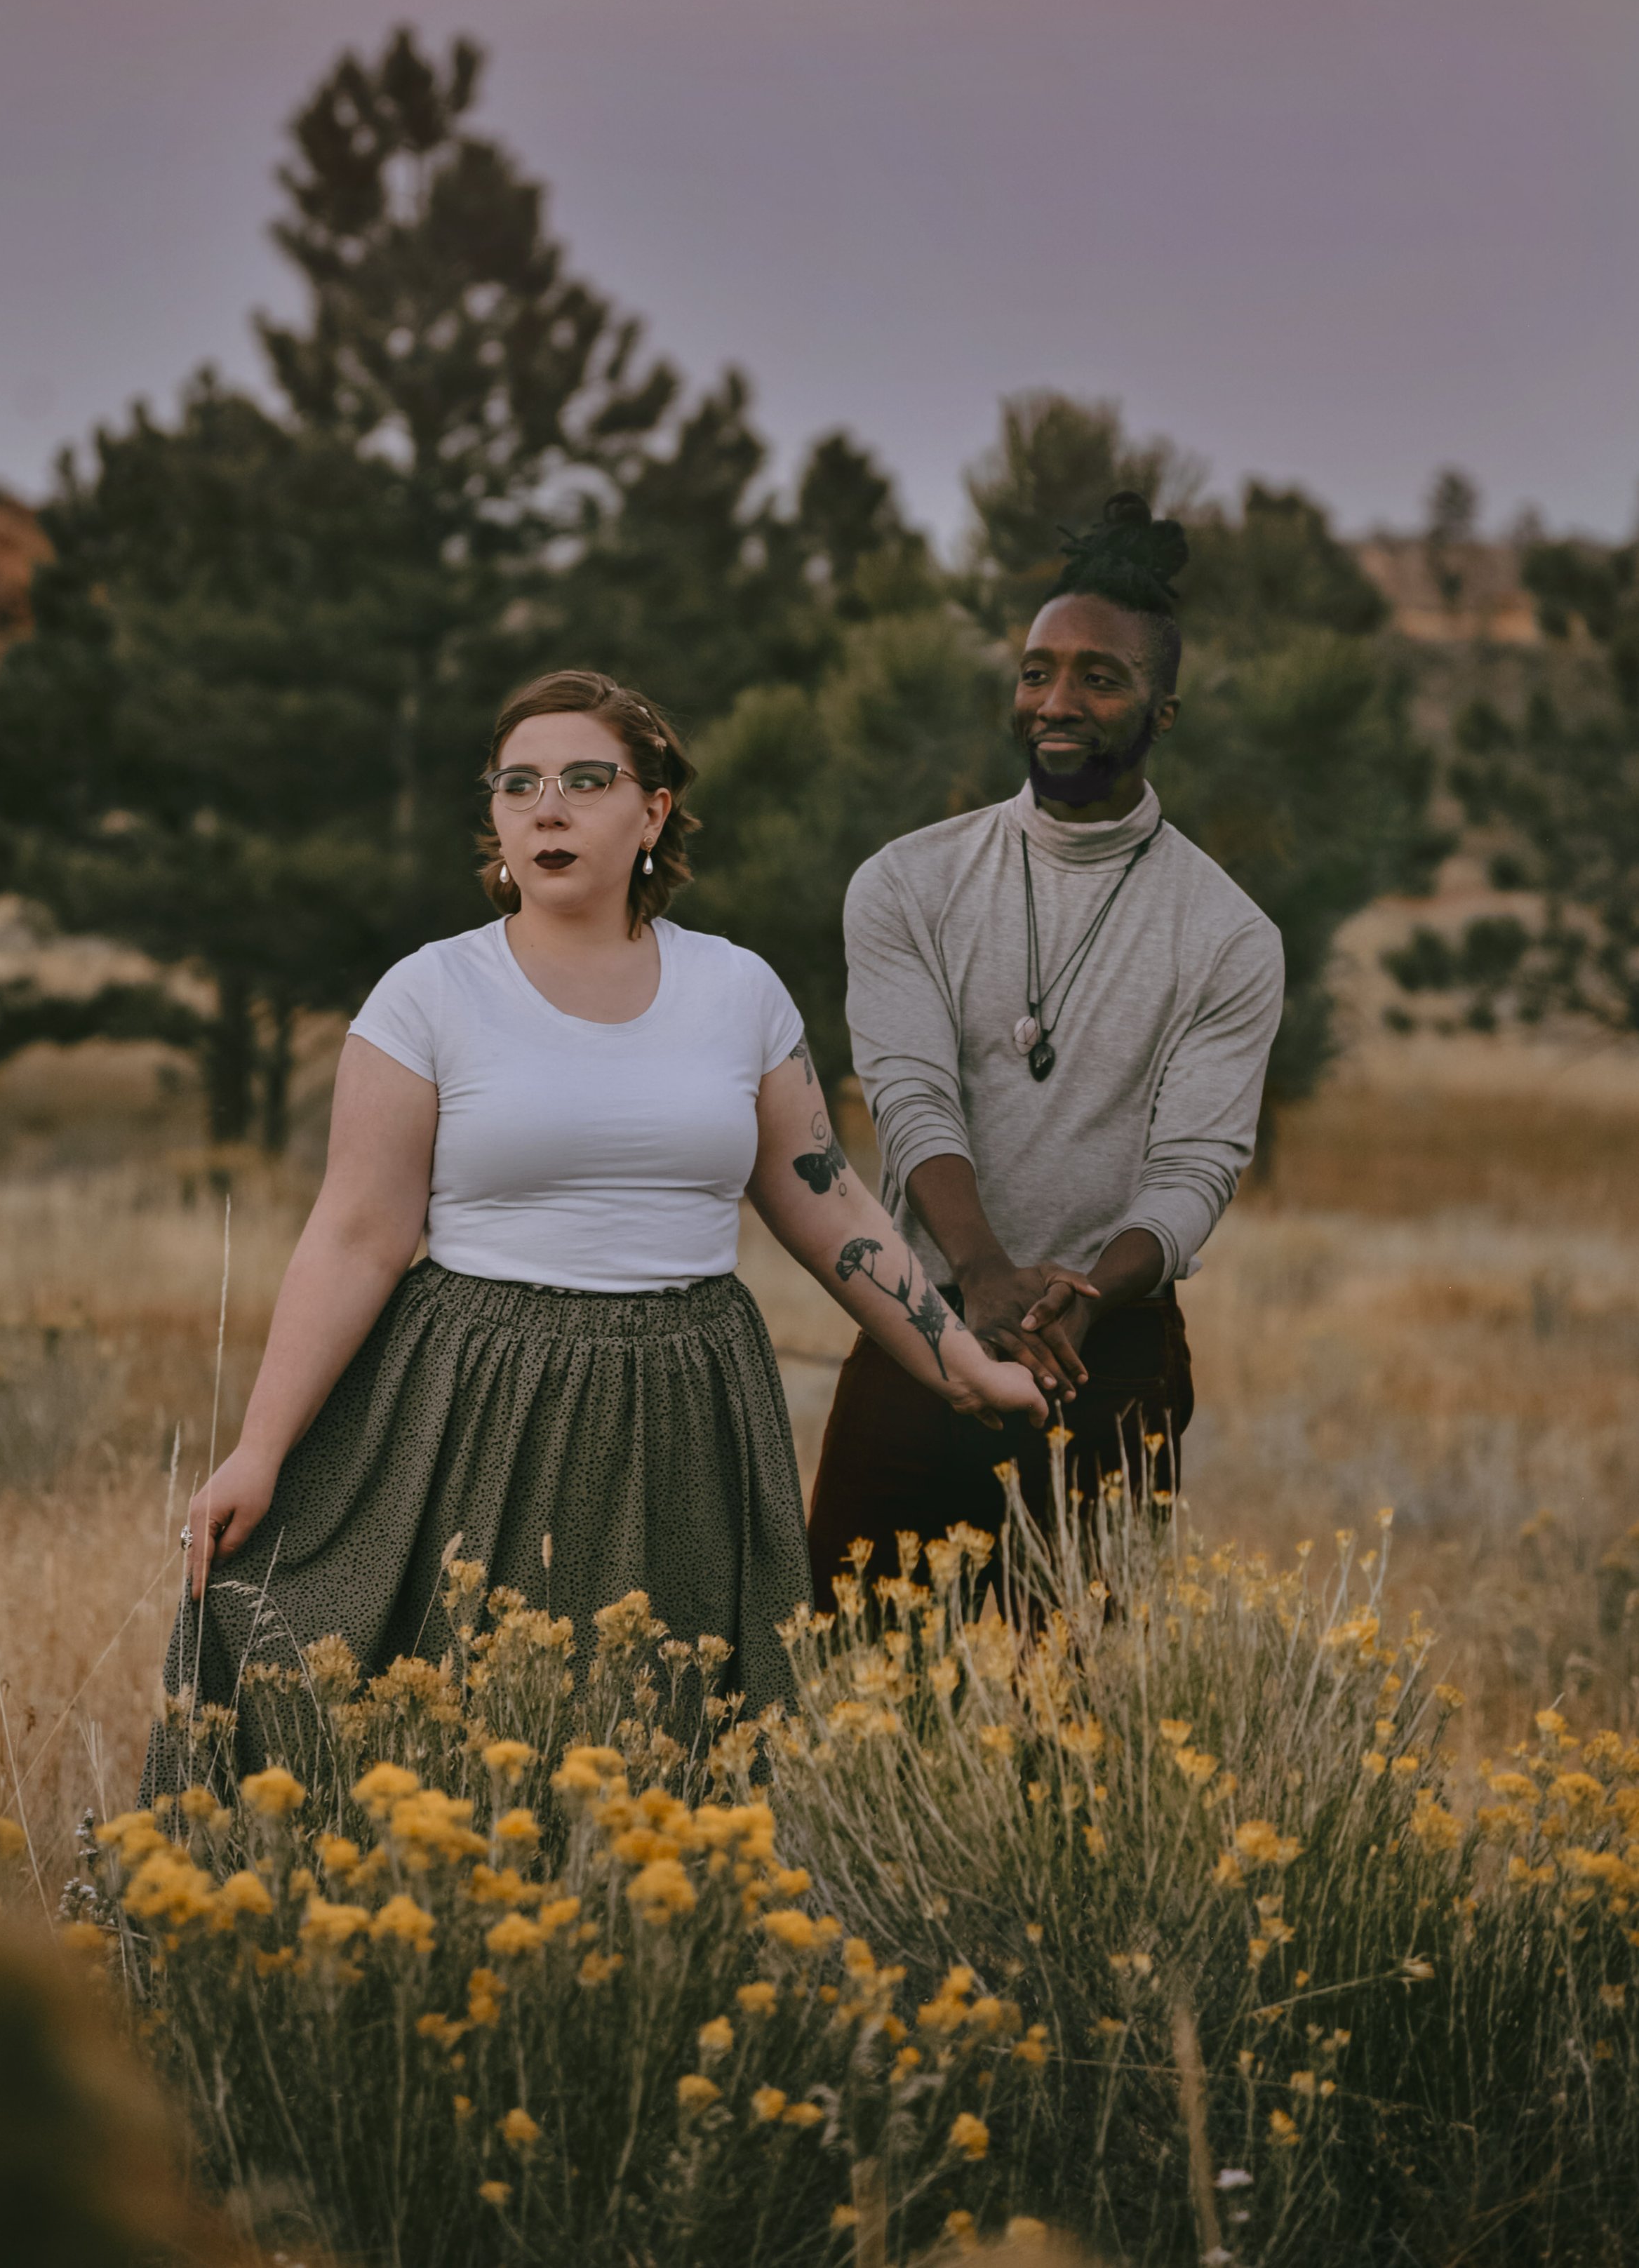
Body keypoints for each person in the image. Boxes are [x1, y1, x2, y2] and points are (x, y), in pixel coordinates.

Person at [144, 669, 1047, 1793]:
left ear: (654, 810)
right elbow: (357, 1235)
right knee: (463, 1734)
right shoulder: (428, 994)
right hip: (477, 1396)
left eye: (585, 780)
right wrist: (260, 1449)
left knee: (664, 1740)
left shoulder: (738, 991)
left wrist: (963, 1367)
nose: (547, 809)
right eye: (518, 784)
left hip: (687, 1405)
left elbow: (834, 1207)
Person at [806, 493, 1285, 1607]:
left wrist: (1088, 1291)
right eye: (1036, 671)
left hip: (1107, 1352)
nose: (1055, 702)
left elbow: (1197, 1167)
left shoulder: (1228, 933)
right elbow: (911, 1091)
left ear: (1163, 709)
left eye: (1099, 678)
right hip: (922, 1322)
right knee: (845, 1682)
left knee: (1072, 1724)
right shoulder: (907, 882)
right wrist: (975, 1274)